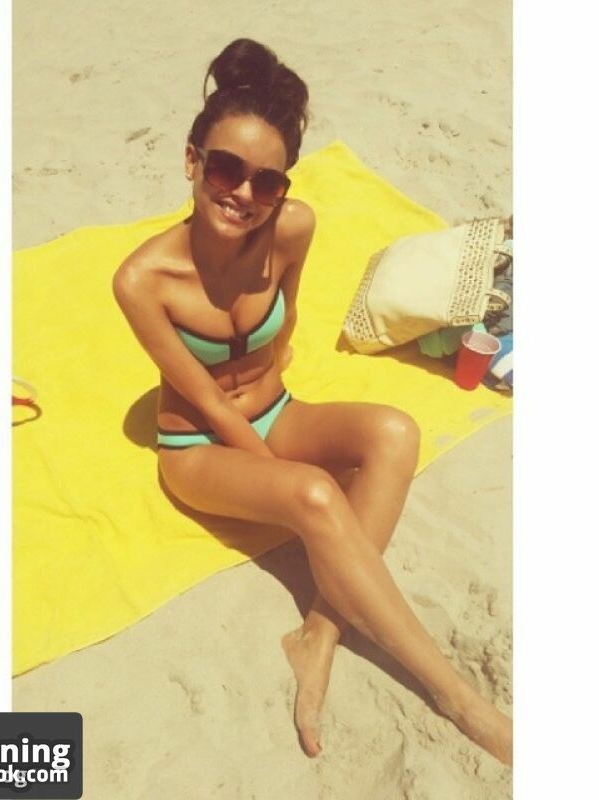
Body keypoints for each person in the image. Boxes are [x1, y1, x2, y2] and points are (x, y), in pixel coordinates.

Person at [113, 38, 512, 765]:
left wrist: (285, 410)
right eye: (226, 168)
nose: (243, 194)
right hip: (198, 448)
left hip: (275, 407)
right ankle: (459, 698)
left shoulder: (292, 228)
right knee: (317, 495)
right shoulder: (142, 279)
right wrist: (290, 482)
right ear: (192, 161)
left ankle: (318, 634)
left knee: (396, 431)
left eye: (266, 181)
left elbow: (287, 321)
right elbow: (208, 401)